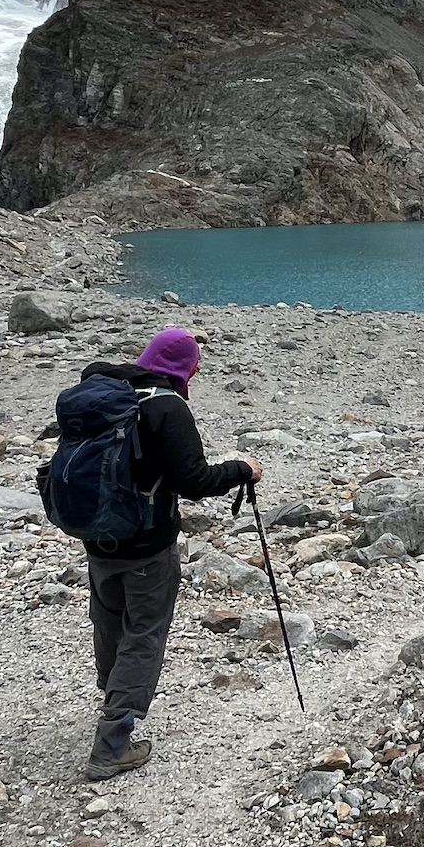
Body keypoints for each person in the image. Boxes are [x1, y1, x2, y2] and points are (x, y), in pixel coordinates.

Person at [71, 327, 261, 781]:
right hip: (147, 542)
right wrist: (243, 469)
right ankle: (112, 741)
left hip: (97, 537)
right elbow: (192, 480)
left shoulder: (104, 394)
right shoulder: (166, 406)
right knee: (145, 633)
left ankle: (112, 694)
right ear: (185, 367)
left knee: (109, 619)